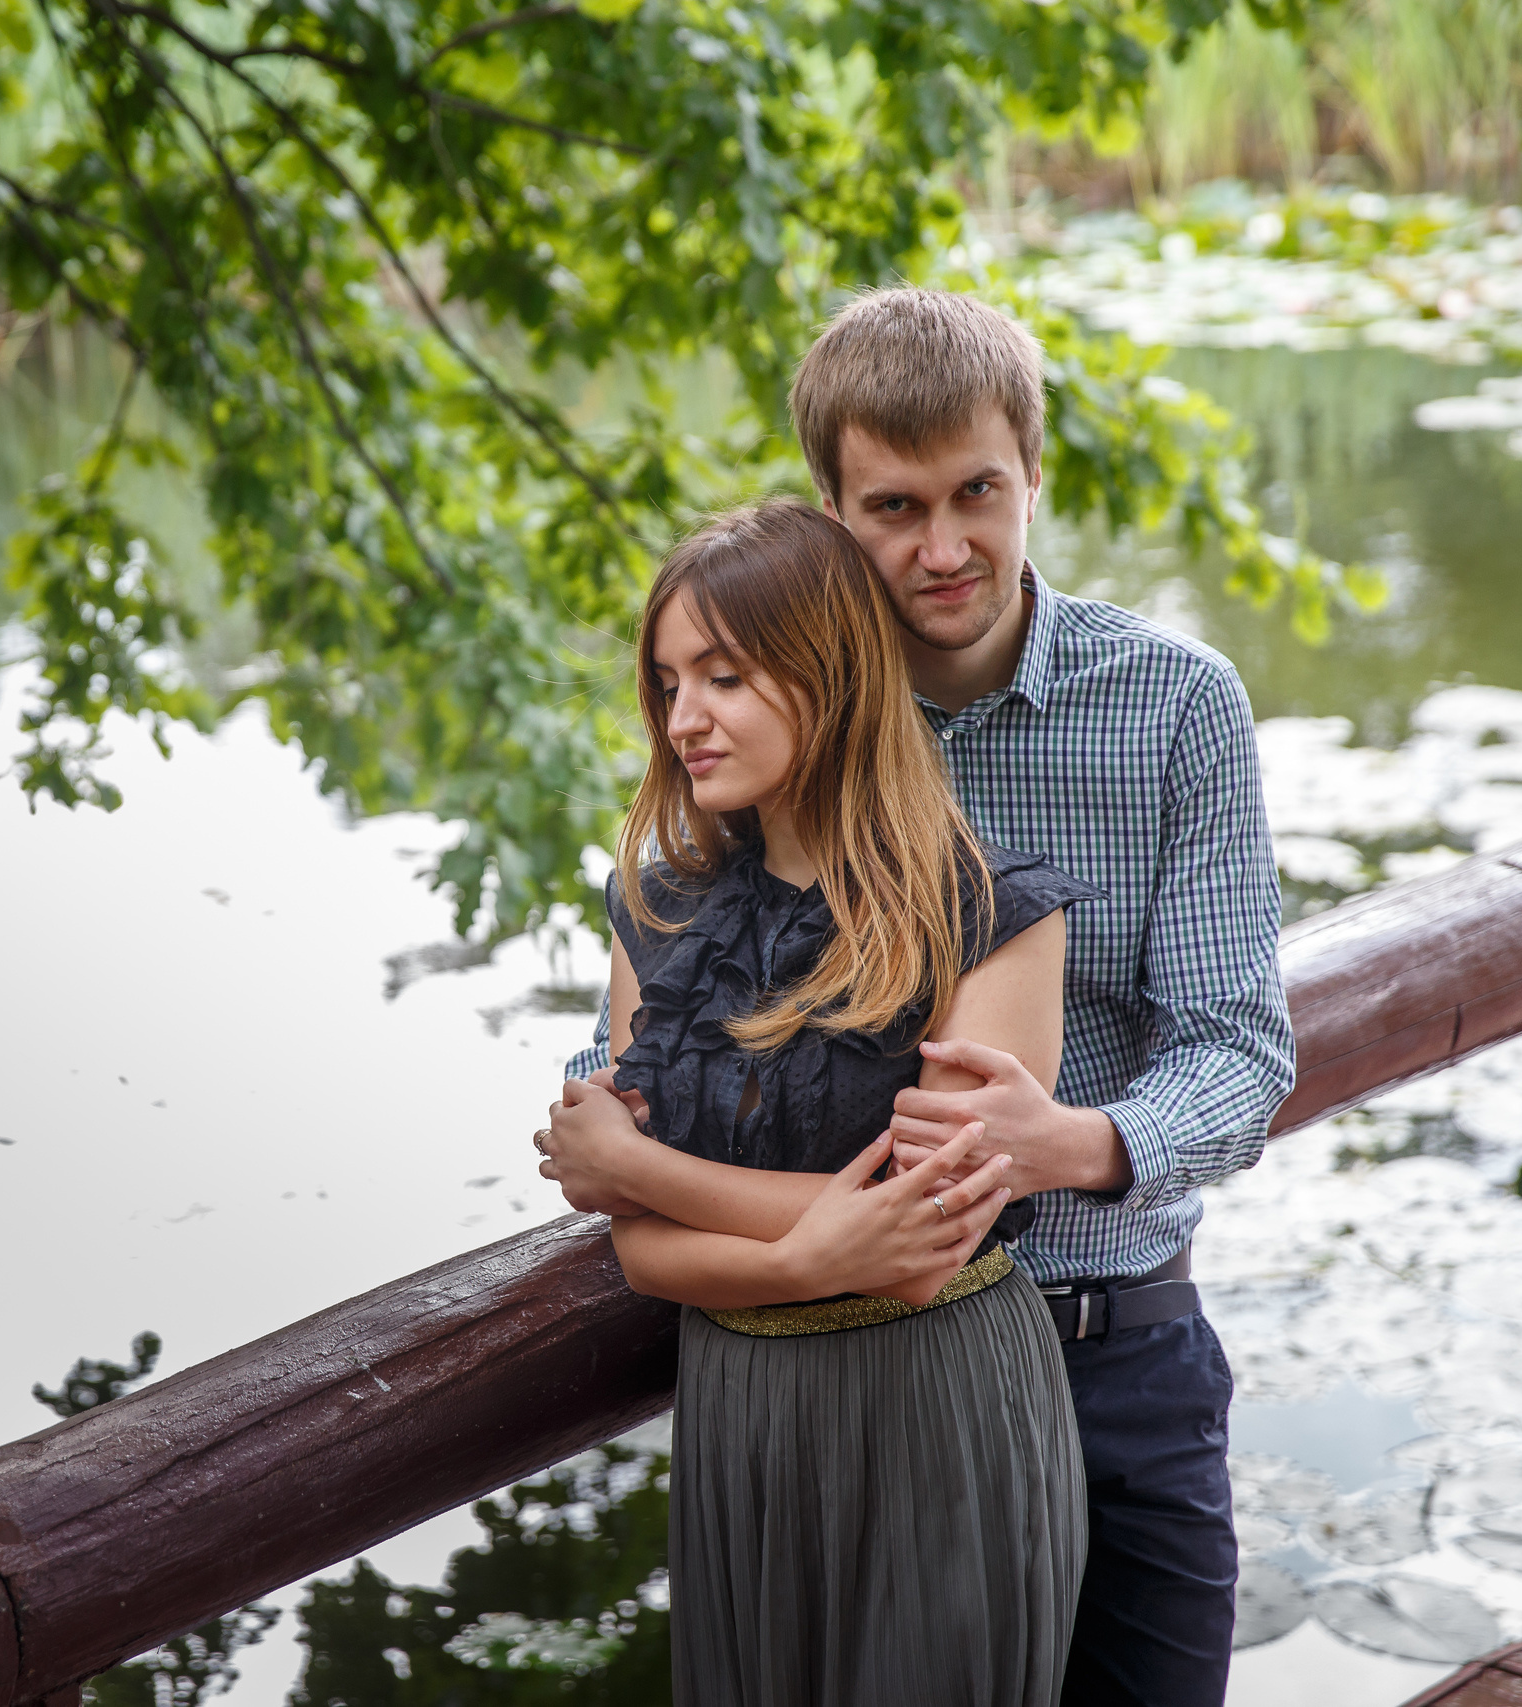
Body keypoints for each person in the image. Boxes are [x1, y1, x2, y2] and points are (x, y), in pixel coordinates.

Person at [551, 288, 1293, 1705]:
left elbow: (1238, 1049)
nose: (944, 547)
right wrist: (633, 1131)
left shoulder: (1177, 705)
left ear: (1033, 475)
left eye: (978, 492)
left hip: (1120, 1336)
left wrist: (1065, 1140)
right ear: (832, 512)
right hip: (858, 1386)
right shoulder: (770, 703)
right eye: (894, 507)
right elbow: (655, 1042)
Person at [541, 496, 1101, 1702]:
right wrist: (803, 1254)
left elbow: (918, 1246)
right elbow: (644, 1260)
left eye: (726, 677)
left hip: (931, 1406)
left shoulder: (994, 915)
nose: (684, 718)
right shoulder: (657, 910)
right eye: (668, 682)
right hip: (740, 1406)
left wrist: (641, 1172)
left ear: (829, 673)